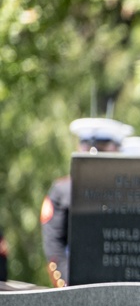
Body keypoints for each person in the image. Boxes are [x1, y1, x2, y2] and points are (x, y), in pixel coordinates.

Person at [39, 117, 133, 287]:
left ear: (117, 150)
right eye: (87, 147)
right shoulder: (63, 192)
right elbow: (54, 247)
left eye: (102, 147)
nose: (94, 153)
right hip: (77, 286)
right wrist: (70, 287)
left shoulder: (131, 193)